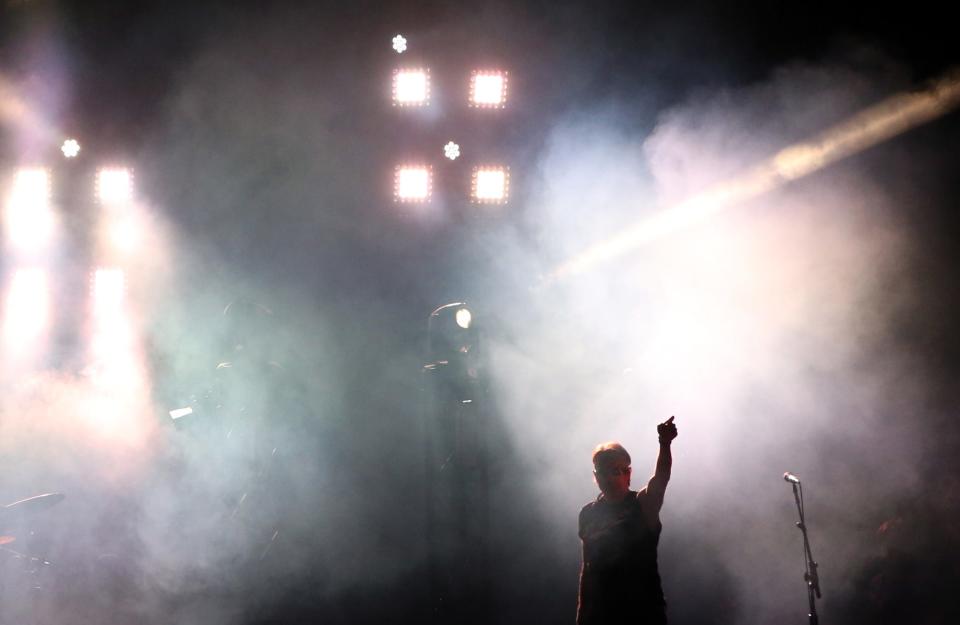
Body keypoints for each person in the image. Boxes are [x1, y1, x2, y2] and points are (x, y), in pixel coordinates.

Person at [577, 417, 678, 625]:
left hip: (642, 614)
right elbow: (587, 569)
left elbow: (661, 478)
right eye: (602, 472)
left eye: (614, 471)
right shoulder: (588, 514)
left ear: (628, 473)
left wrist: (665, 444)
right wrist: (582, 615)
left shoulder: (642, 504)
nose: (608, 478)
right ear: (595, 475)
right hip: (601, 617)